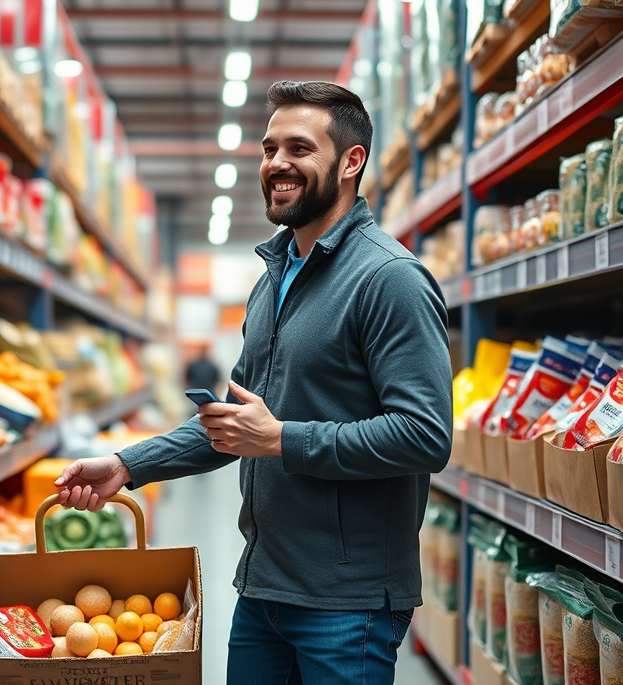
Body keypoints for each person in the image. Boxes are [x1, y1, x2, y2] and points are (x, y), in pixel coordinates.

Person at [54, 81, 453, 684]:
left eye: (299, 148)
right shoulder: (272, 282)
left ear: (351, 162)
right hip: (264, 587)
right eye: (269, 149)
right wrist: (127, 465)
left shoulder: (389, 278)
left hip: (347, 604)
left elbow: (425, 436)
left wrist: (282, 439)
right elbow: (231, 425)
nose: (276, 165)